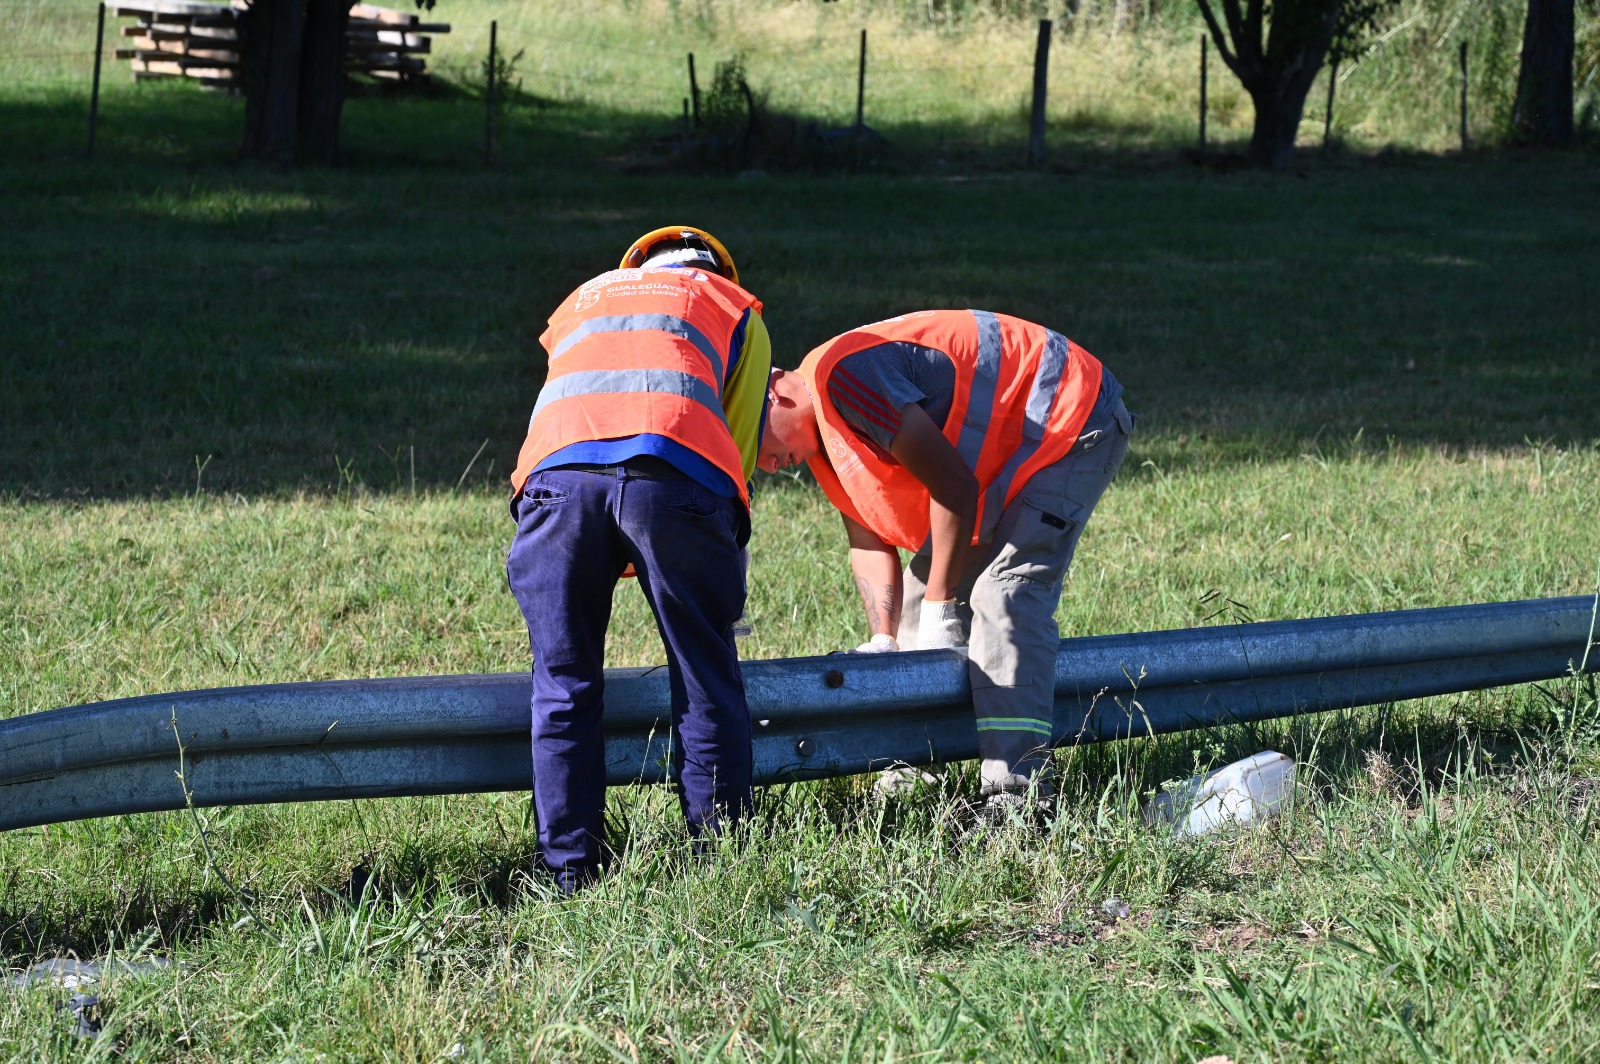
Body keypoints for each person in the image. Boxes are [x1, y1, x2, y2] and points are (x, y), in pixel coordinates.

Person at [760, 310, 1133, 806]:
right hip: (1011, 452)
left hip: (1070, 415)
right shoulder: (822, 441)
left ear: (773, 394)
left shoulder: (846, 380)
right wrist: (885, 638)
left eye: (754, 444)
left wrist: (943, 605)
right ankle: (914, 770)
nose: (765, 467)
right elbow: (869, 542)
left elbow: (955, 488)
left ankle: (1017, 797)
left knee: (1005, 596)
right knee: (918, 602)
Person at [506, 226, 770, 893]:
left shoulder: (584, 298)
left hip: (556, 479)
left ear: (637, 264)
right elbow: (733, 453)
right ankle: (721, 865)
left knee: (562, 684)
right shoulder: (732, 307)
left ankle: (568, 874)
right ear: (719, 270)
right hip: (676, 475)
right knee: (704, 672)